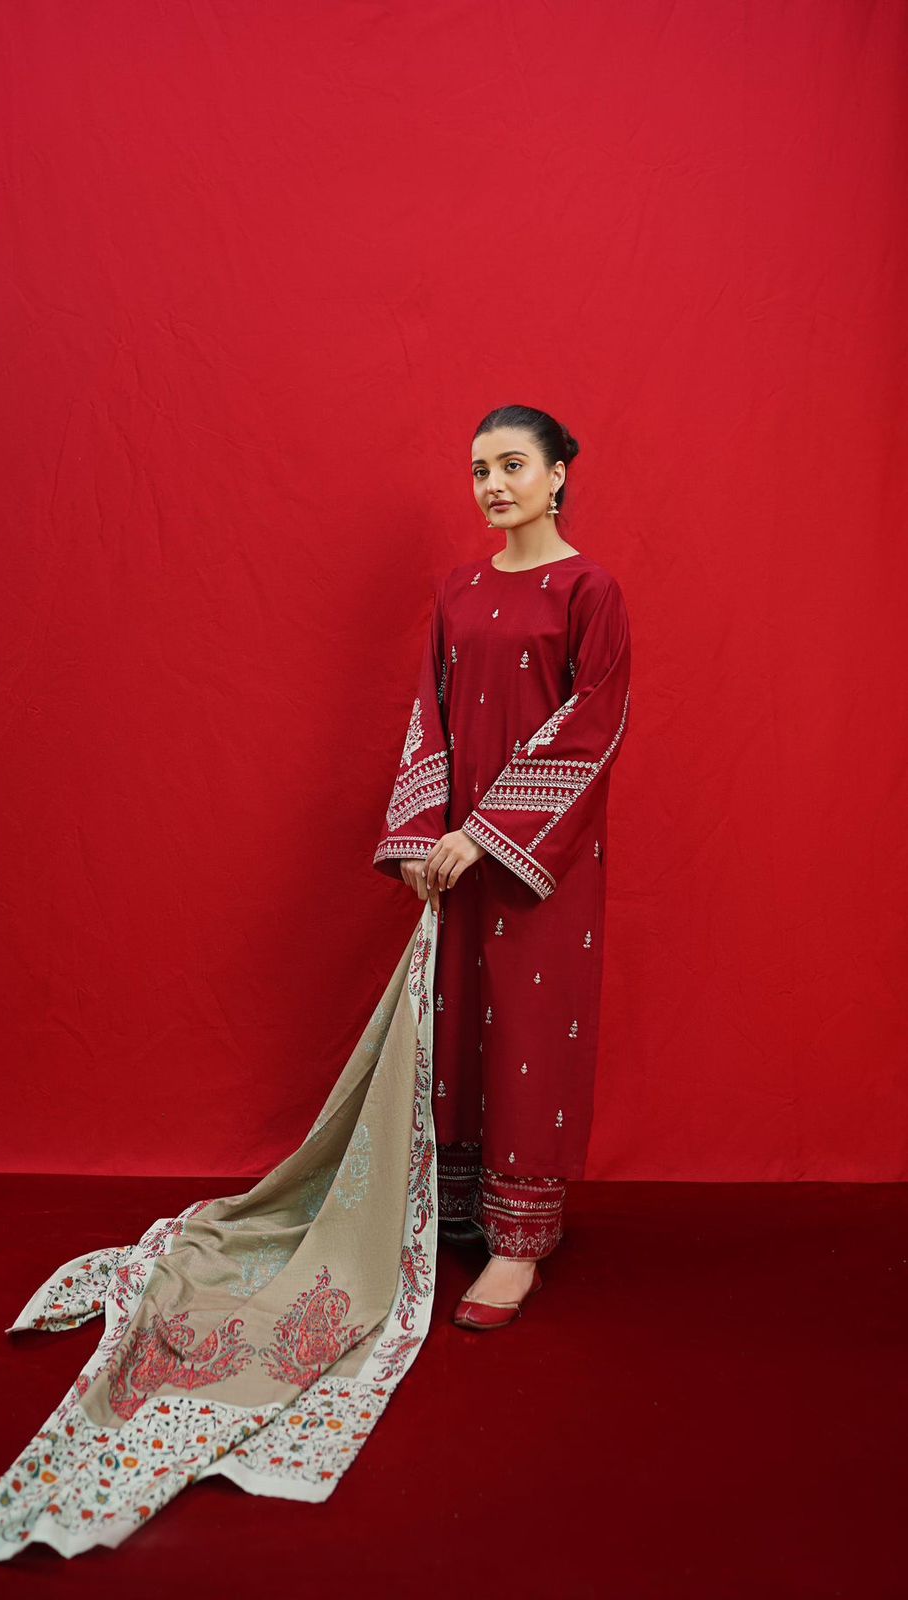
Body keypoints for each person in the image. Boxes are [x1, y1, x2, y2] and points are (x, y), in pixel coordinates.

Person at [373, 403, 632, 1329]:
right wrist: (420, 833)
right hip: (454, 853)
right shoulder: (457, 589)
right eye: (480, 470)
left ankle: (519, 1245)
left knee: (529, 1025)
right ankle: (458, 1207)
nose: (493, 485)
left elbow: (593, 726)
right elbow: (430, 710)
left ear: (558, 474)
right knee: (457, 1020)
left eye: (513, 464)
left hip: (537, 857)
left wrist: (486, 833)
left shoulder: (589, 591)